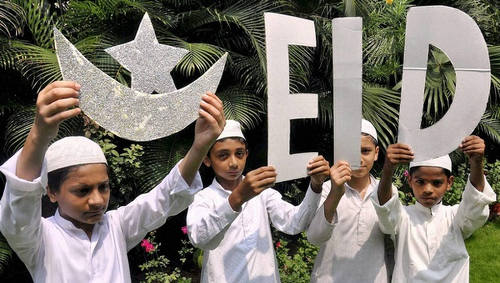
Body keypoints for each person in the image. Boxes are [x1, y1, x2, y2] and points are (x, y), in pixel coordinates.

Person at [0, 81, 225, 283]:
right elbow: (19, 205)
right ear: (51, 192)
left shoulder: (116, 226)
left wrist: (200, 146)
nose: (97, 201)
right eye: (82, 191)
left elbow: (166, 196)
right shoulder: (39, 239)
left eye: (103, 187)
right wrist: (39, 134)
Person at [186, 120, 330, 283]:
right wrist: (236, 199)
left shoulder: (262, 193)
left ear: (246, 154)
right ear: (207, 160)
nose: (233, 163)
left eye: (239, 154)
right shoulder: (203, 198)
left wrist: (316, 185)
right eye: (223, 155)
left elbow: (295, 223)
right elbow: (198, 238)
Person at [373, 135, 496, 282]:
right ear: (410, 180)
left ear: (449, 183)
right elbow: (385, 208)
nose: (428, 190)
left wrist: (477, 162)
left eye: (437, 183)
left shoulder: (455, 217)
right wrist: (388, 168)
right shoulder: (403, 217)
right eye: (420, 182)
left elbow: (475, 202)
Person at [307, 119, 391, 282]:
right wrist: (335, 193)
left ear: (377, 153)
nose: (359, 159)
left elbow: (393, 232)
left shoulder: (386, 191)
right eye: (352, 152)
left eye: (365, 151)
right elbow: (315, 237)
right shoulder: (325, 189)